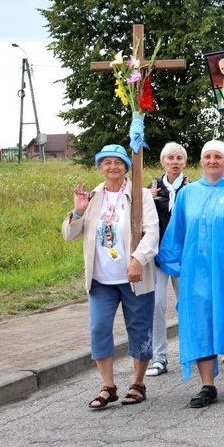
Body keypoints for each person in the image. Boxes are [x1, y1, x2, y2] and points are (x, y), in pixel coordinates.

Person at [157, 140, 224, 408]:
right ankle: (208, 385)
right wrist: (166, 258)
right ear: (201, 161)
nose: (212, 161)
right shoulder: (187, 194)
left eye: (218, 156)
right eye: (207, 156)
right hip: (198, 273)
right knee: (200, 323)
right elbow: (177, 233)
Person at [62, 144, 159, 408]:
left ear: (127, 166)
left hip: (134, 278)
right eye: (106, 162)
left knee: (139, 330)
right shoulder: (92, 196)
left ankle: (138, 383)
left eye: (118, 162)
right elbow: (69, 235)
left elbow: (152, 233)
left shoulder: (140, 195)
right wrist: (78, 211)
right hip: (101, 280)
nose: (112, 166)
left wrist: (138, 260)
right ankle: (108, 386)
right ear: (100, 167)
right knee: (99, 329)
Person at [146, 142, 189, 377]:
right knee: (156, 304)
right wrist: (145, 199)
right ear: (163, 161)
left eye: (179, 158)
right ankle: (160, 357)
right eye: (170, 158)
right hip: (158, 256)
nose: (175, 162)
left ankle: (191, 352)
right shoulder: (152, 188)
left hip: (184, 257)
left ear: (184, 162)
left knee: (187, 305)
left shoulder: (191, 188)